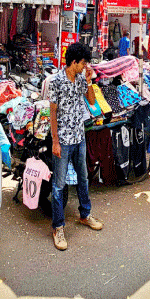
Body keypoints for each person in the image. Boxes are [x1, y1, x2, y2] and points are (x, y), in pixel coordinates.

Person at [47, 42, 102, 251]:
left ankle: (85, 214)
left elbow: (92, 101)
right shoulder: (56, 81)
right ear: (74, 62)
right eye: (83, 62)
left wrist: (88, 81)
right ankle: (58, 227)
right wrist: (55, 141)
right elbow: (53, 112)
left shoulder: (80, 78)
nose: (85, 65)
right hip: (62, 139)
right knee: (59, 185)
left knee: (83, 178)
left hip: (79, 137)